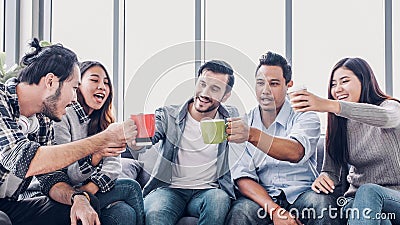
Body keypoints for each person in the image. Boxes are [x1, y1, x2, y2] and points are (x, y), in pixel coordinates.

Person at [0, 38, 137, 225]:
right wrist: (103, 140)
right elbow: (23, 159)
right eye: (73, 88)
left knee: (82, 205)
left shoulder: (42, 120)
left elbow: (51, 177)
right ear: (51, 81)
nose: (74, 99)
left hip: (9, 205)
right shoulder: (2, 102)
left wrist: (77, 198)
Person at [225, 51, 339, 225]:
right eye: (260, 83)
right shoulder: (243, 123)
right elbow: (242, 178)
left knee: (322, 204)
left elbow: (295, 152)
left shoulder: (304, 116)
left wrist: (251, 135)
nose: (265, 91)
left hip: (303, 193)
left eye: (274, 83)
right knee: (241, 212)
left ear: (288, 85)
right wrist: (274, 210)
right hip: (264, 197)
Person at [290, 57, 400, 225]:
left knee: (370, 192)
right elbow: (331, 172)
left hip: (395, 198)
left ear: (364, 80)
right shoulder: (339, 124)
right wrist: (324, 178)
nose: (337, 89)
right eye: (333, 84)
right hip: (355, 202)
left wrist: (330, 105)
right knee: (381, 220)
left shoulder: (390, 107)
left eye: (344, 81)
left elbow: (386, 118)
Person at [131, 60, 239, 225]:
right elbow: (146, 138)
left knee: (218, 201)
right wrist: (136, 141)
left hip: (209, 190)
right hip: (169, 190)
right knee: (156, 212)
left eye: (215, 89)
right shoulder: (168, 115)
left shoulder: (230, 116)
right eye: (202, 84)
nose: (204, 92)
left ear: (225, 96)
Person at [44, 61, 144, 225]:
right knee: (131, 187)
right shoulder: (63, 115)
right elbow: (69, 174)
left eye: (106, 83)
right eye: (95, 80)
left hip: (87, 192)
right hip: (58, 193)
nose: (102, 87)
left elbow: (113, 167)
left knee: (124, 213)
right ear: (78, 85)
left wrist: (89, 189)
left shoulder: (107, 123)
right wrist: (95, 156)